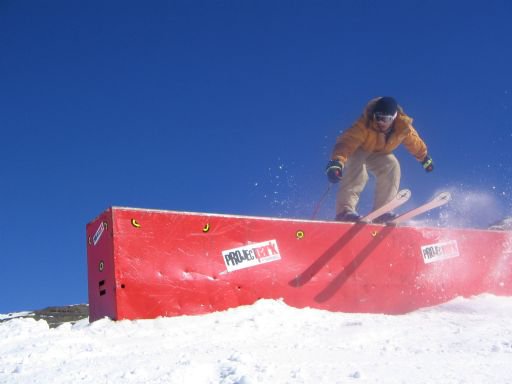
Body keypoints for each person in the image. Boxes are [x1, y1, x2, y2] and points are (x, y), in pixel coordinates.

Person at [325, 96, 433, 222]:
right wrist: (337, 162)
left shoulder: (402, 127)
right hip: (359, 149)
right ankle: (344, 211)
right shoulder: (364, 125)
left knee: (392, 165)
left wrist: (424, 158)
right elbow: (346, 143)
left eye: (385, 119)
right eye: (378, 117)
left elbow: (414, 142)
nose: (380, 122)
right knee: (358, 167)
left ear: (393, 118)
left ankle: (382, 211)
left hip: (378, 154)